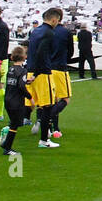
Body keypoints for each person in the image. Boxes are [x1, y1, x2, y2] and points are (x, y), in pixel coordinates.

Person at [25, 9, 56, 140]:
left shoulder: (35, 31)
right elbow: (41, 52)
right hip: (42, 73)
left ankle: (12, 127)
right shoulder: (49, 33)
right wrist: (37, 73)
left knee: (34, 103)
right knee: (47, 105)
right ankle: (45, 138)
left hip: (31, 69)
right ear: (54, 19)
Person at [0, 45, 32, 156]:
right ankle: (7, 148)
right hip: (16, 101)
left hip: (7, 99)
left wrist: (26, 82)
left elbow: (15, 83)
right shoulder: (22, 71)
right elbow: (21, 87)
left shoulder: (10, 69)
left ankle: (6, 144)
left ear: (12, 57)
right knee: (16, 124)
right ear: (24, 57)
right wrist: (30, 97)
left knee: (16, 122)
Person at [47, 10, 72, 139]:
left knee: (53, 100)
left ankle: (54, 128)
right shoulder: (65, 32)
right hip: (60, 68)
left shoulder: (44, 31)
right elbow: (71, 52)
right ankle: (47, 120)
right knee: (65, 99)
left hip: (47, 68)